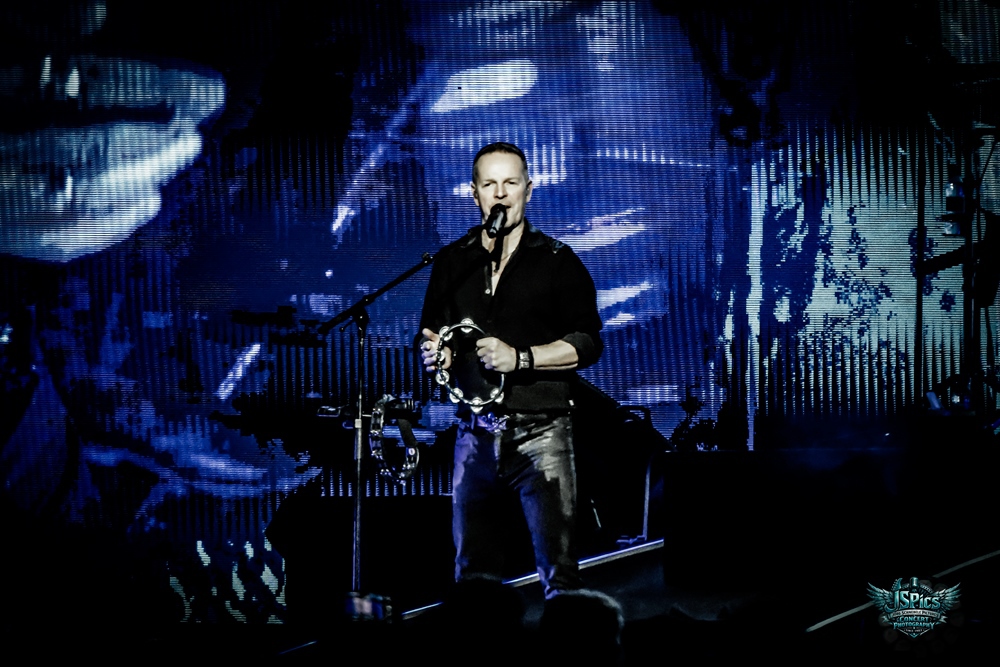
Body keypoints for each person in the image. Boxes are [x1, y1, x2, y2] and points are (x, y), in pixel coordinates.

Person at [419, 142, 603, 598]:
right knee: (472, 576)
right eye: (489, 184)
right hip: (474, 434)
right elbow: (432, 334)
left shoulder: (557, 261)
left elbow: (587, 342)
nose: (500, 194)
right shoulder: (453, 262)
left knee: (559, 572)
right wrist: (437, 356)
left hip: (542, 433)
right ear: (474, 193)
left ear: (528, 190)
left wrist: (520, 358)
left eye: (510, 183)